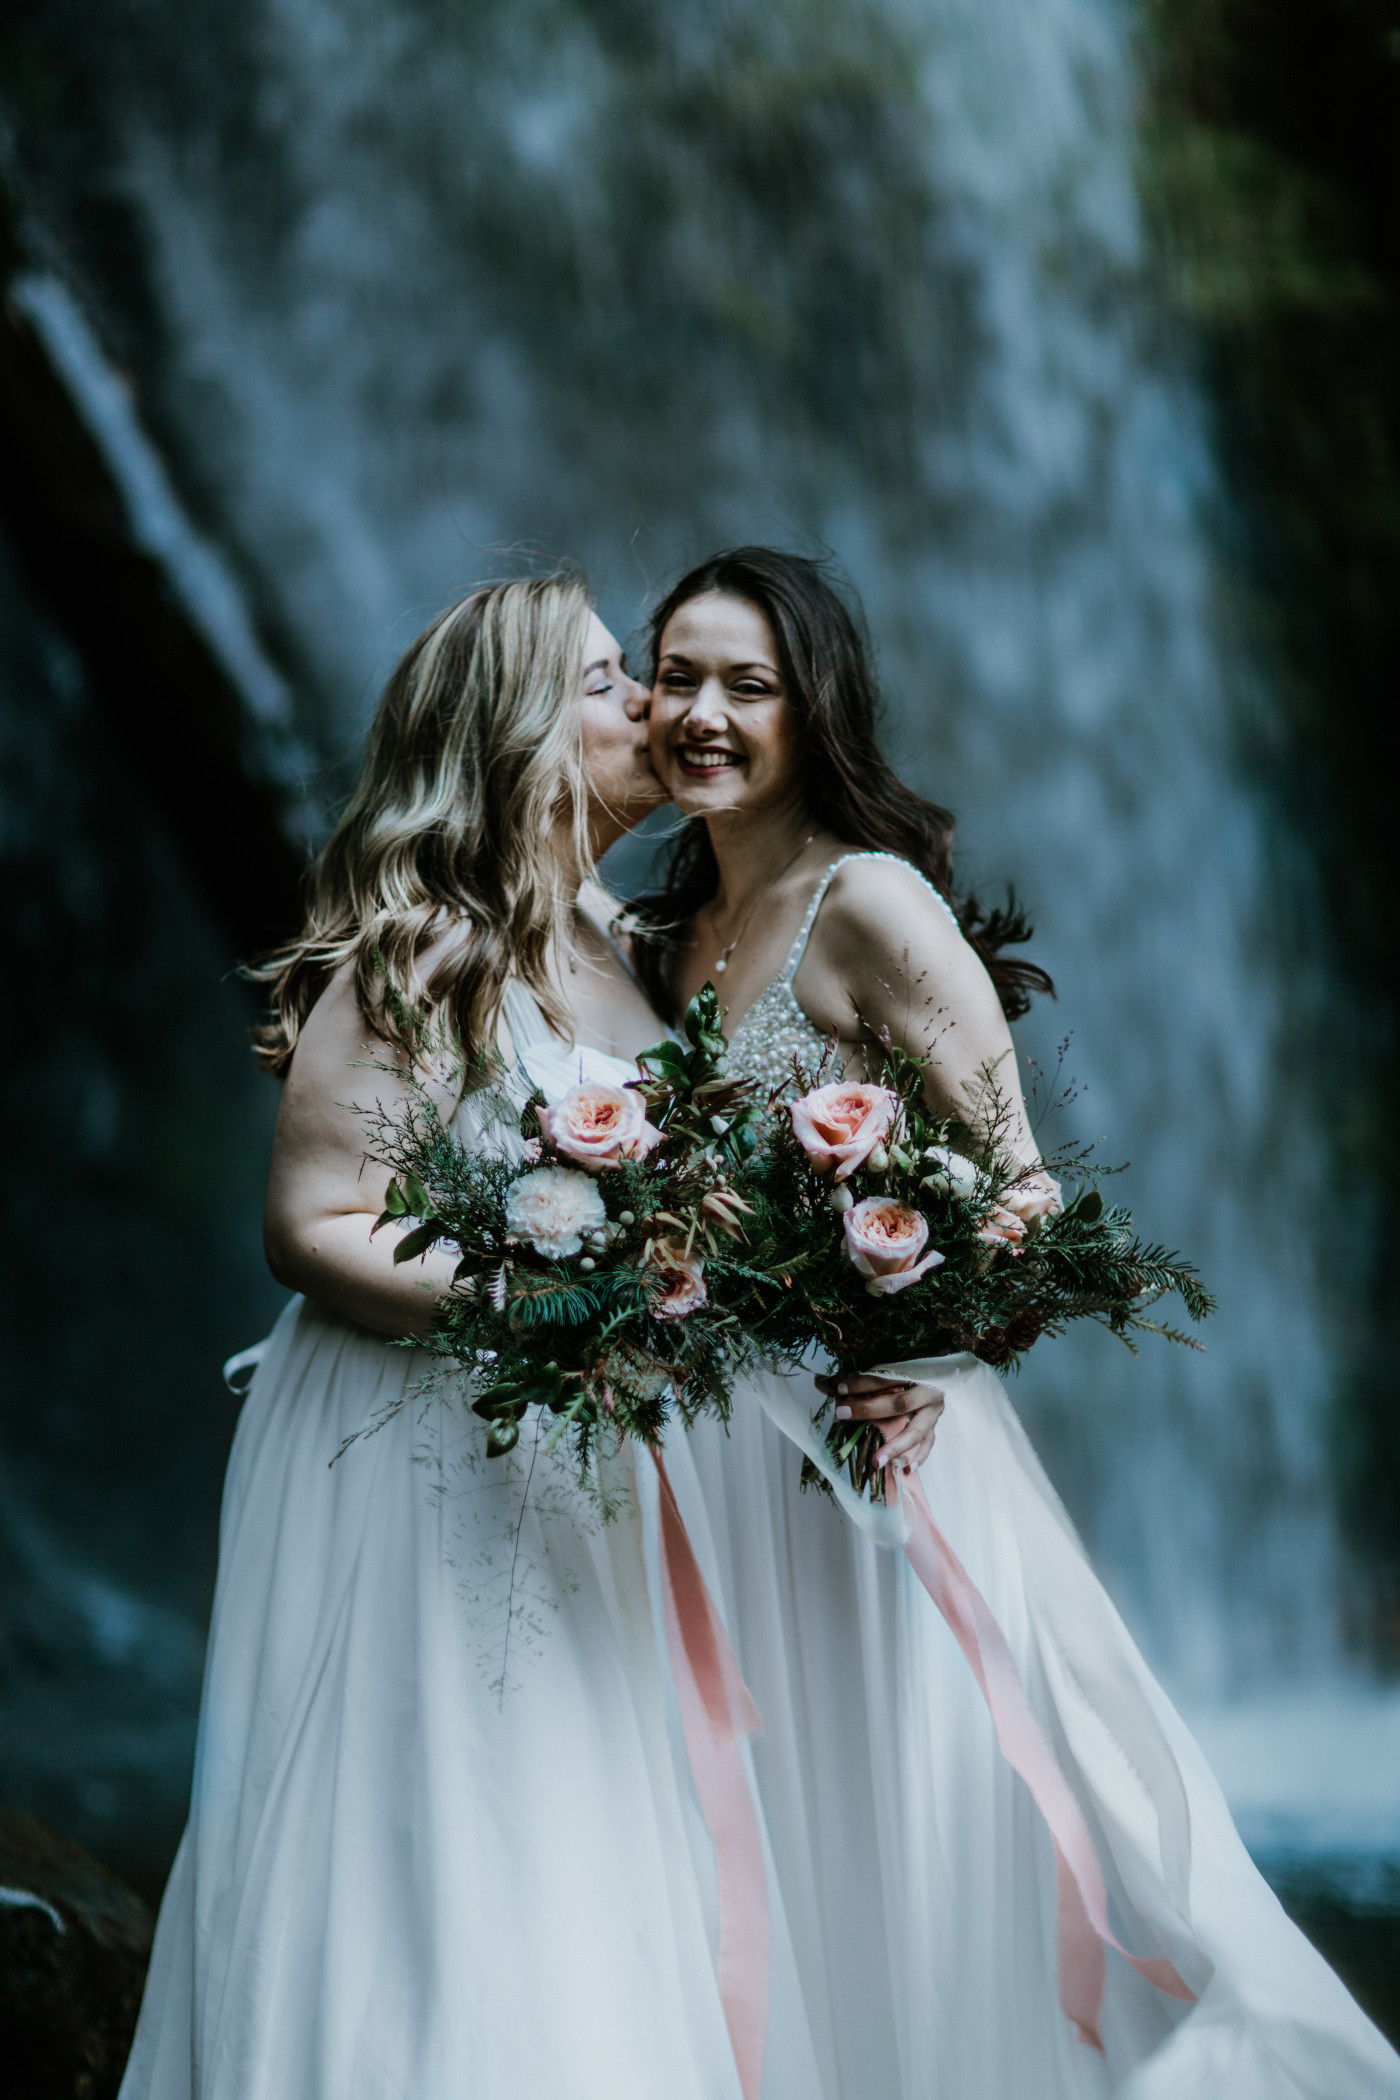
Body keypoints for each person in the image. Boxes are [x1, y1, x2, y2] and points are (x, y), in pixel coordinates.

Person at [631, 545, 1400, 2098]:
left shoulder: (874, 906)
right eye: (677, 676)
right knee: (773, 1841)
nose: (702, 712)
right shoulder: (665, 924)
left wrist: (926, 1355)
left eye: (747, 685)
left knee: (914, 1828)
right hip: (725, 1461)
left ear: (815, 705)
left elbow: (1020, 1196)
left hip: (879, 1458)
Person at [117, 575, 756, 2100]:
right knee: (439, 1815)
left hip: (563, 1437)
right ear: (521, 732)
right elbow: (318, 1222)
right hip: (417, 1445)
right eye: (610, 680)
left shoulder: (622, 939)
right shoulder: (425, 945)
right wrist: (551, 1299)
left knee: (576, 1810)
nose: (655, 705)